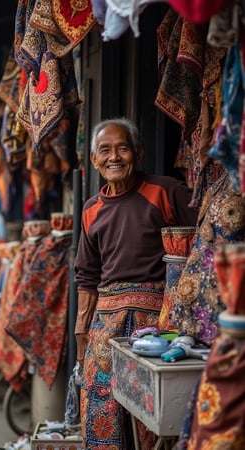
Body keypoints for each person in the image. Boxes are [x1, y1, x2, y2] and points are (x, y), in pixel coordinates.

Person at [74, 117, 199, 450]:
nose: (114, 157)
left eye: (123, 149)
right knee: (100, 407)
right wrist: (81, 331)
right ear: (94, 160)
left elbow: (202, 247)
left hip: (159, 325)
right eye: (105, 150)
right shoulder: (91, 210)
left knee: (153, 418)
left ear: (139, 153)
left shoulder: (166, 191)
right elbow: (87, 274)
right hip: (105, 324)